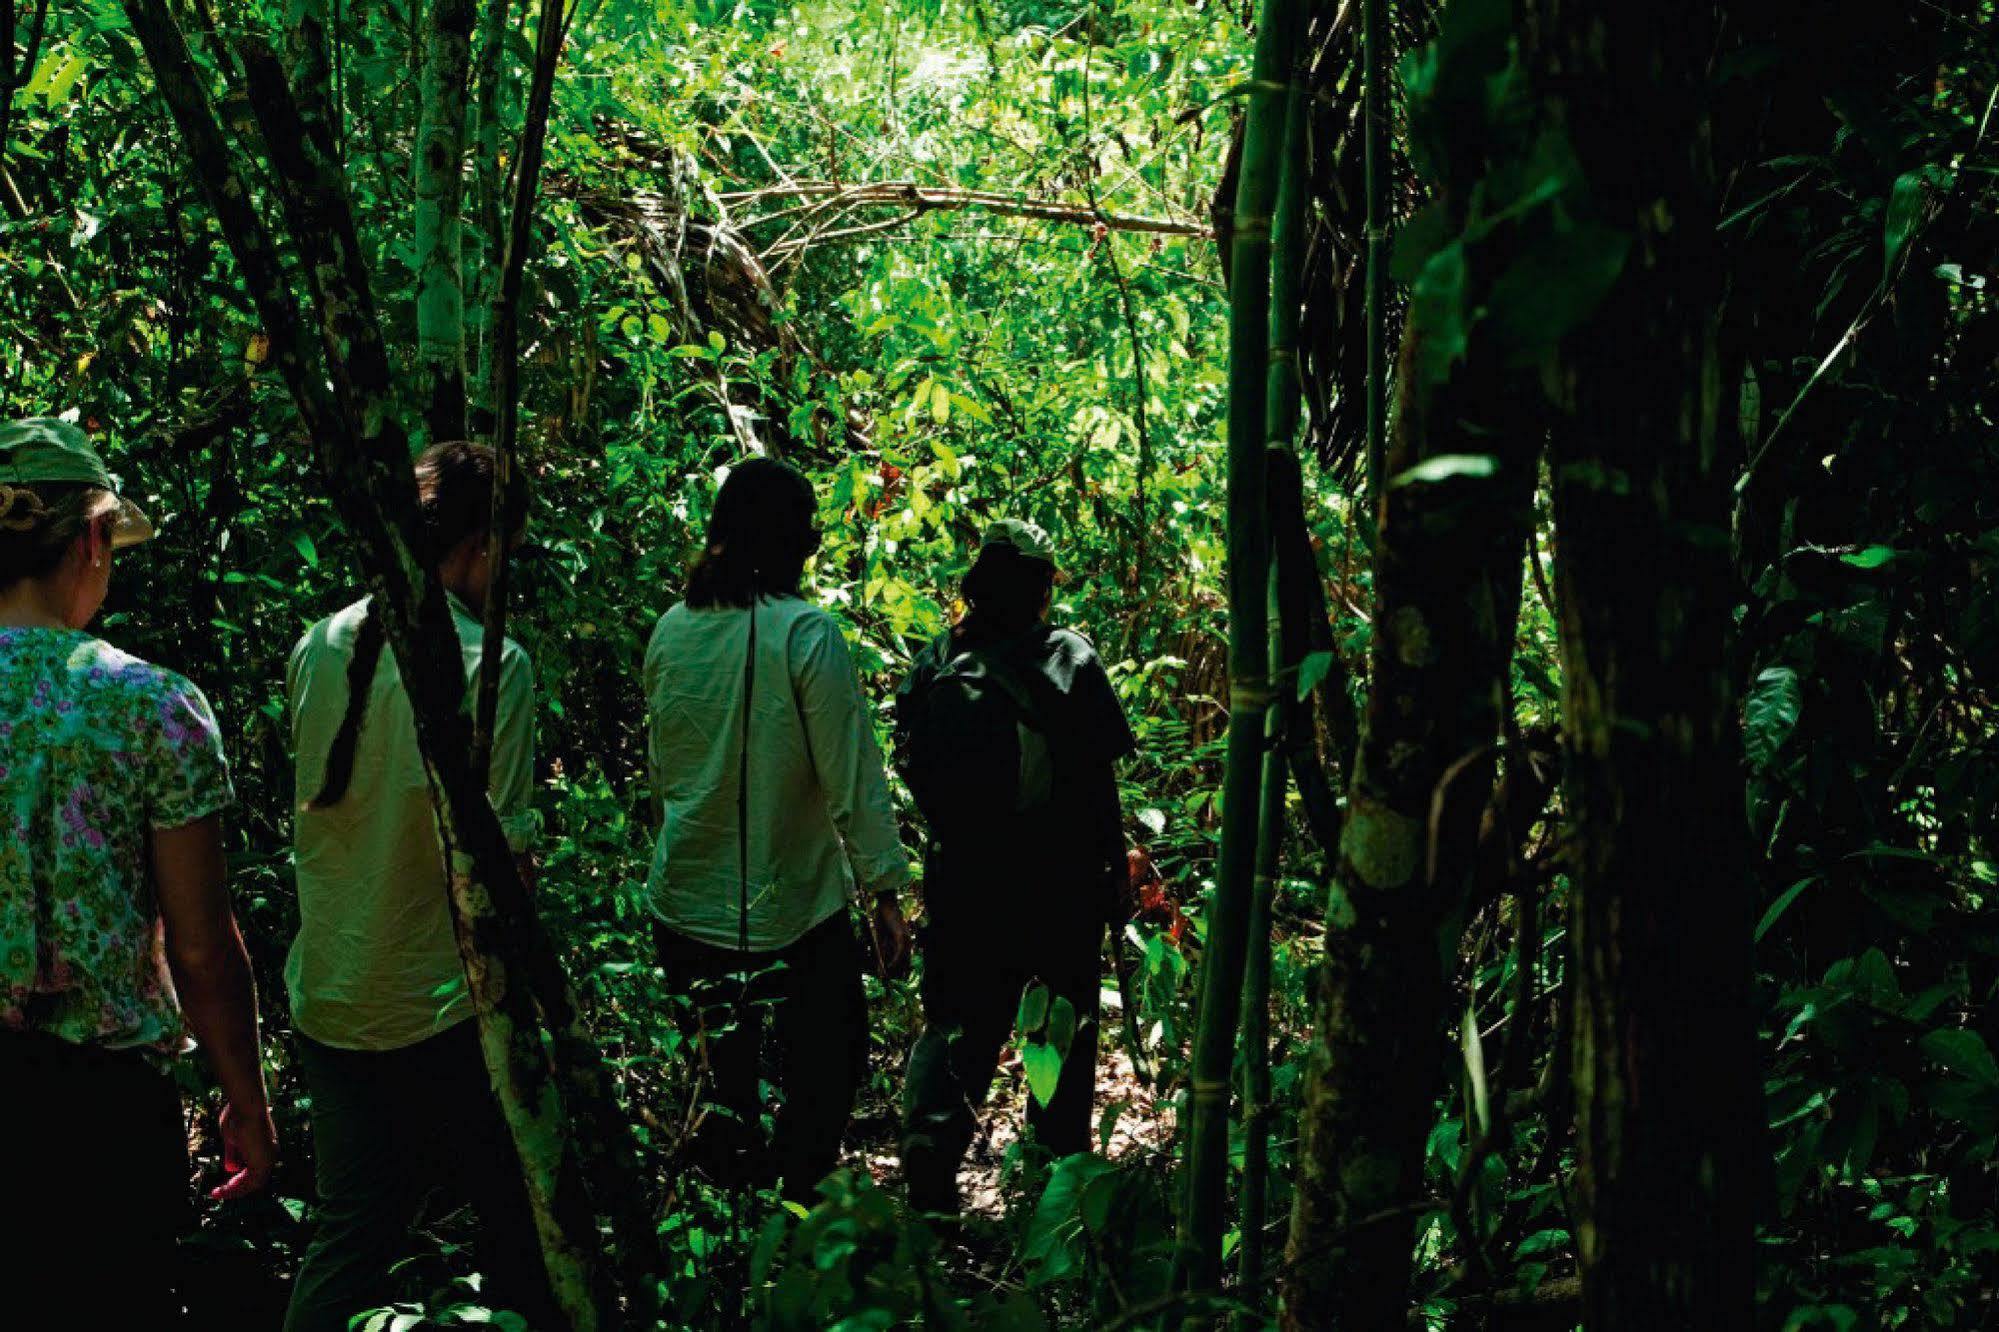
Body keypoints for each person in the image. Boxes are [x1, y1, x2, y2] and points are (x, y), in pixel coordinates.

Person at [0, 416, 276, 1324]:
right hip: (95, 1115)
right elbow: (200, 944)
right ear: (91, 537)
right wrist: (246, 1096)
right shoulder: (148, 704)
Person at [282, 441, 552, 1332]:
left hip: (331, 993)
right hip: (442, 1007)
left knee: (350, 1234)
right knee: (519, 1227)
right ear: (480, 545)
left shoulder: (318, 644)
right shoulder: (494, 667)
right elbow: (503, 871)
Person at [645, 456, 913, 1203]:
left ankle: (737, 1257)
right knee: (825, 1073)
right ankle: (793, 1231)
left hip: (683, 904)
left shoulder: (671, 629)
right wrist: (884, 891)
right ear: (787, 541)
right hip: (789, 912)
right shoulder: (806, 634)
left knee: (726, 1095)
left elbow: (664, 766)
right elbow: (851, 777)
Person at [896, 519, 1135, 1215]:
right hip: (1058, 887)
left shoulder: (937, 659)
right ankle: (1052, 1198)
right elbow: (1098, 783)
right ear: (1039, 587)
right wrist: (1113, 871)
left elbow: (913, 769)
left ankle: (930, 1183)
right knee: (1060, 1034)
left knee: (957, 1029)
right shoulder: (1068, 656)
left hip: (964, 883)